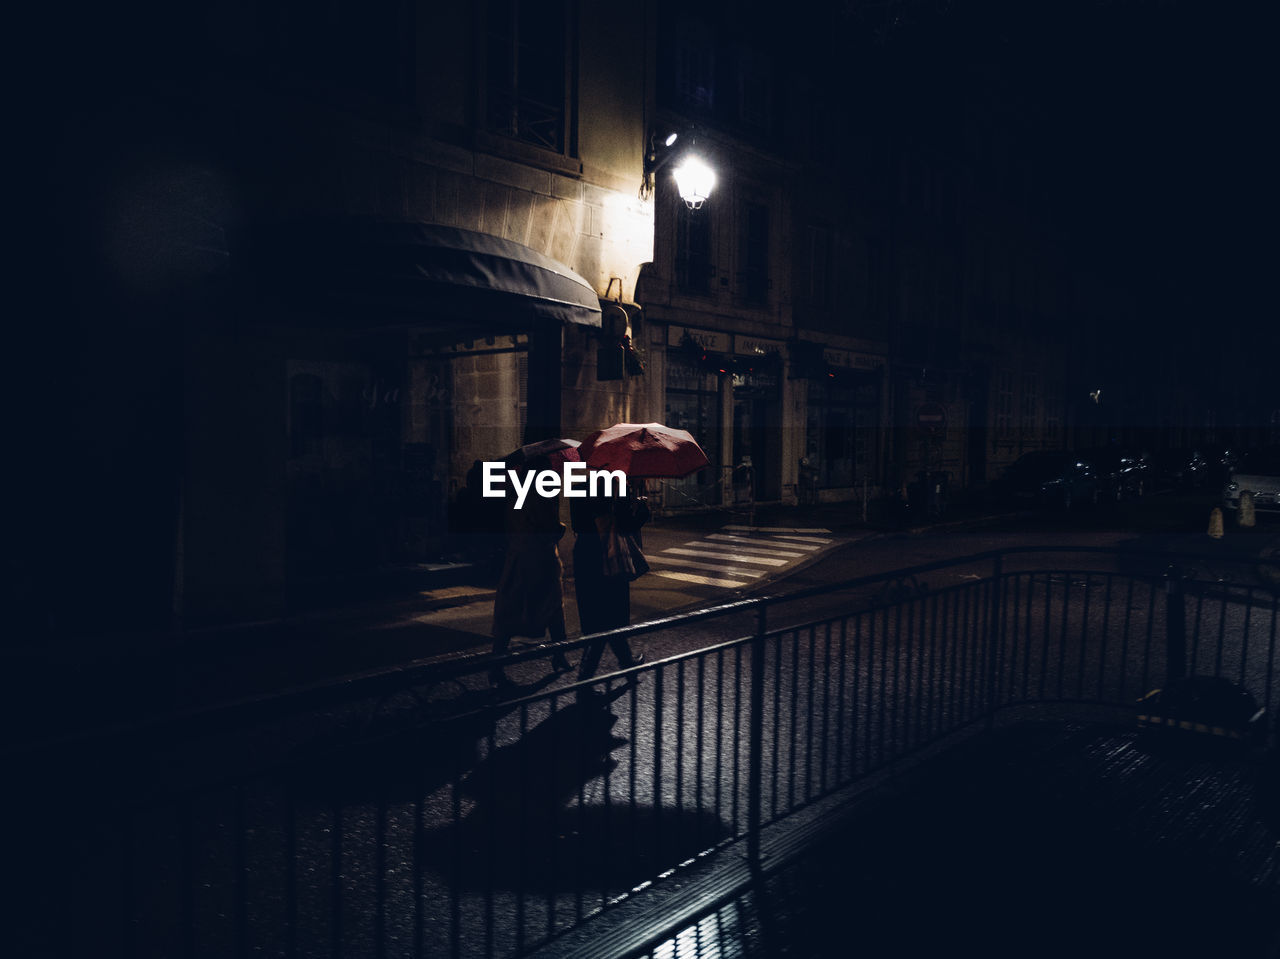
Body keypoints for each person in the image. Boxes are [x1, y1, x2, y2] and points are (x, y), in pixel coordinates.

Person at [489, 456, 573, 687]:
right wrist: (562, 528)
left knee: (509, 610)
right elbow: (550, 528)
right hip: (541, 559)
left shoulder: (514, 491)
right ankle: (559, 654)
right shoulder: (545, 492)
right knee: (553, 608)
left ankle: (496, 665)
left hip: (517, 558)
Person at [572, 480, 650, 680]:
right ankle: (585, 680)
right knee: (611, 618)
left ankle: (626, 665)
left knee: (596, 619)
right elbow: (626, 525)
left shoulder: (580, 487)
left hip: (585, 558)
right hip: (610, 560)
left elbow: (577, 523)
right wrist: (641, 512)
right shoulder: (617, 488)